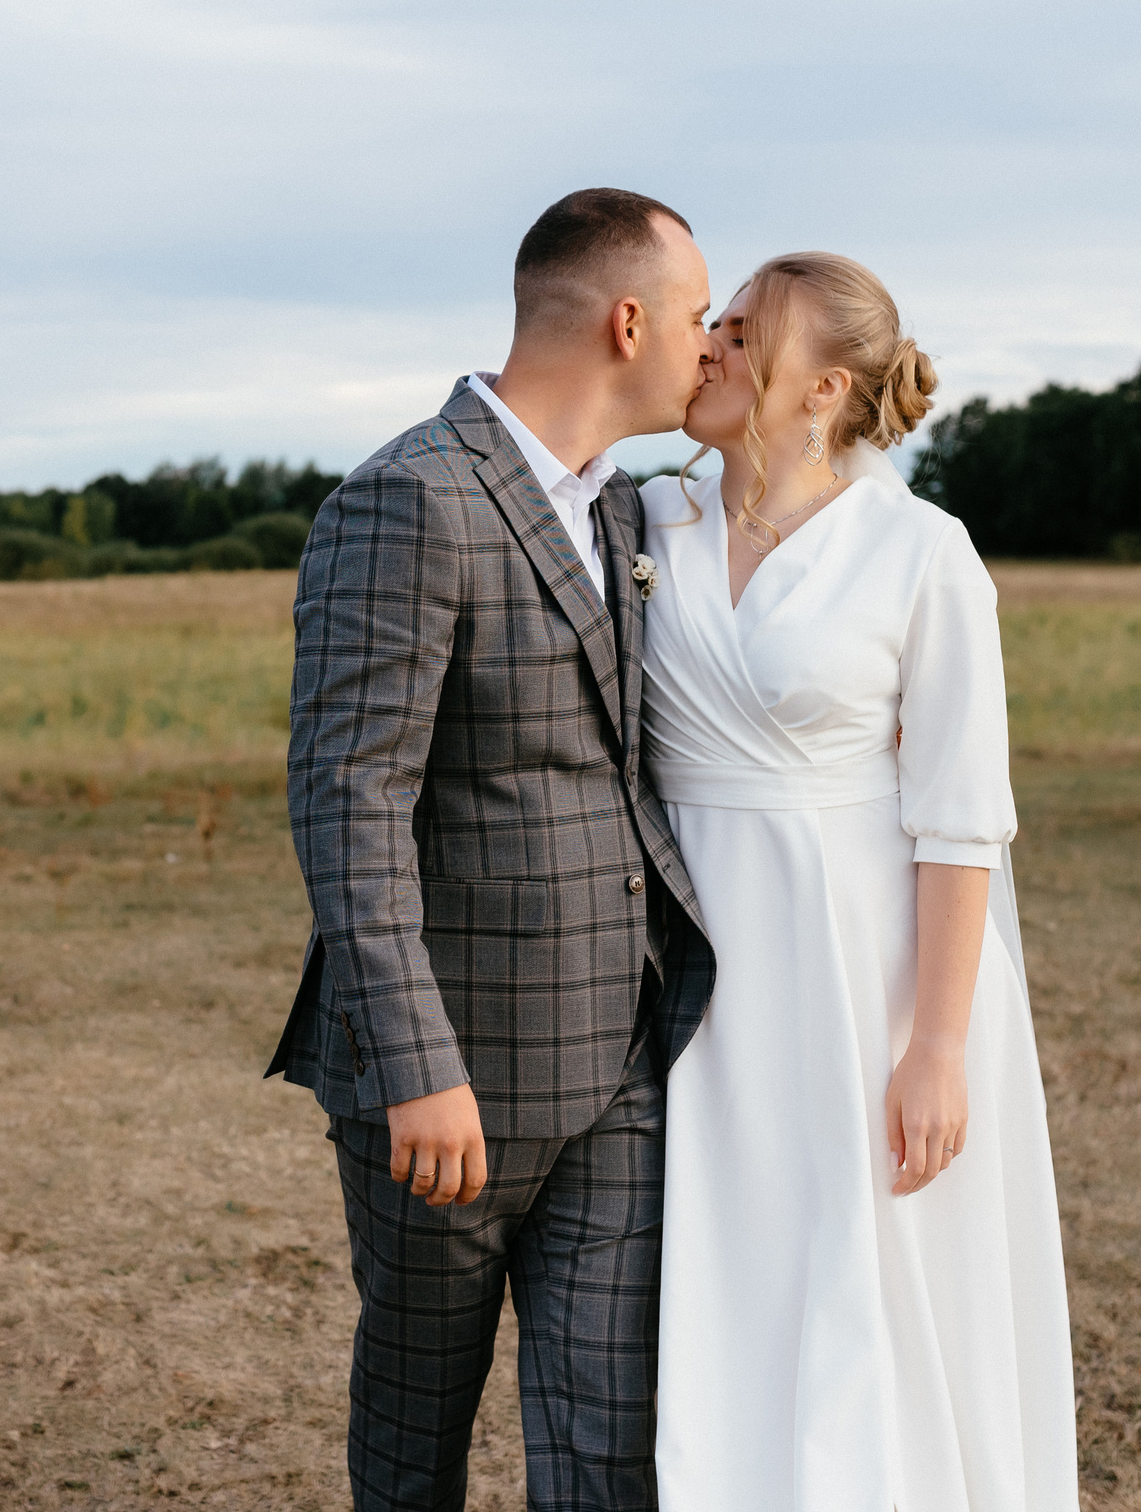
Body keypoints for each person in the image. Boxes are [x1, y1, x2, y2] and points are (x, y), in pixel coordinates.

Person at [267, 187, 719, 1510]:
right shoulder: (409, 502)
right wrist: (417, 1068)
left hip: (620, 1064)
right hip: (444, 1094)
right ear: (628, 320)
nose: (711, 339)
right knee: (418, 1442)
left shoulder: (627, 515)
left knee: (610, 1446)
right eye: (698, 313)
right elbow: (349, 799)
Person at [640, 252, 1078, 1509]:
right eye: (708, 322)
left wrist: (935, 1044)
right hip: (698, 972)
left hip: (868, 970)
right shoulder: (650, 521)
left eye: (739, 330)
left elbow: (958, 817)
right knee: (732, 1268)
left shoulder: (920, 553)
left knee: (872, 1281)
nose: (708, 342)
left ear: (821, 387)